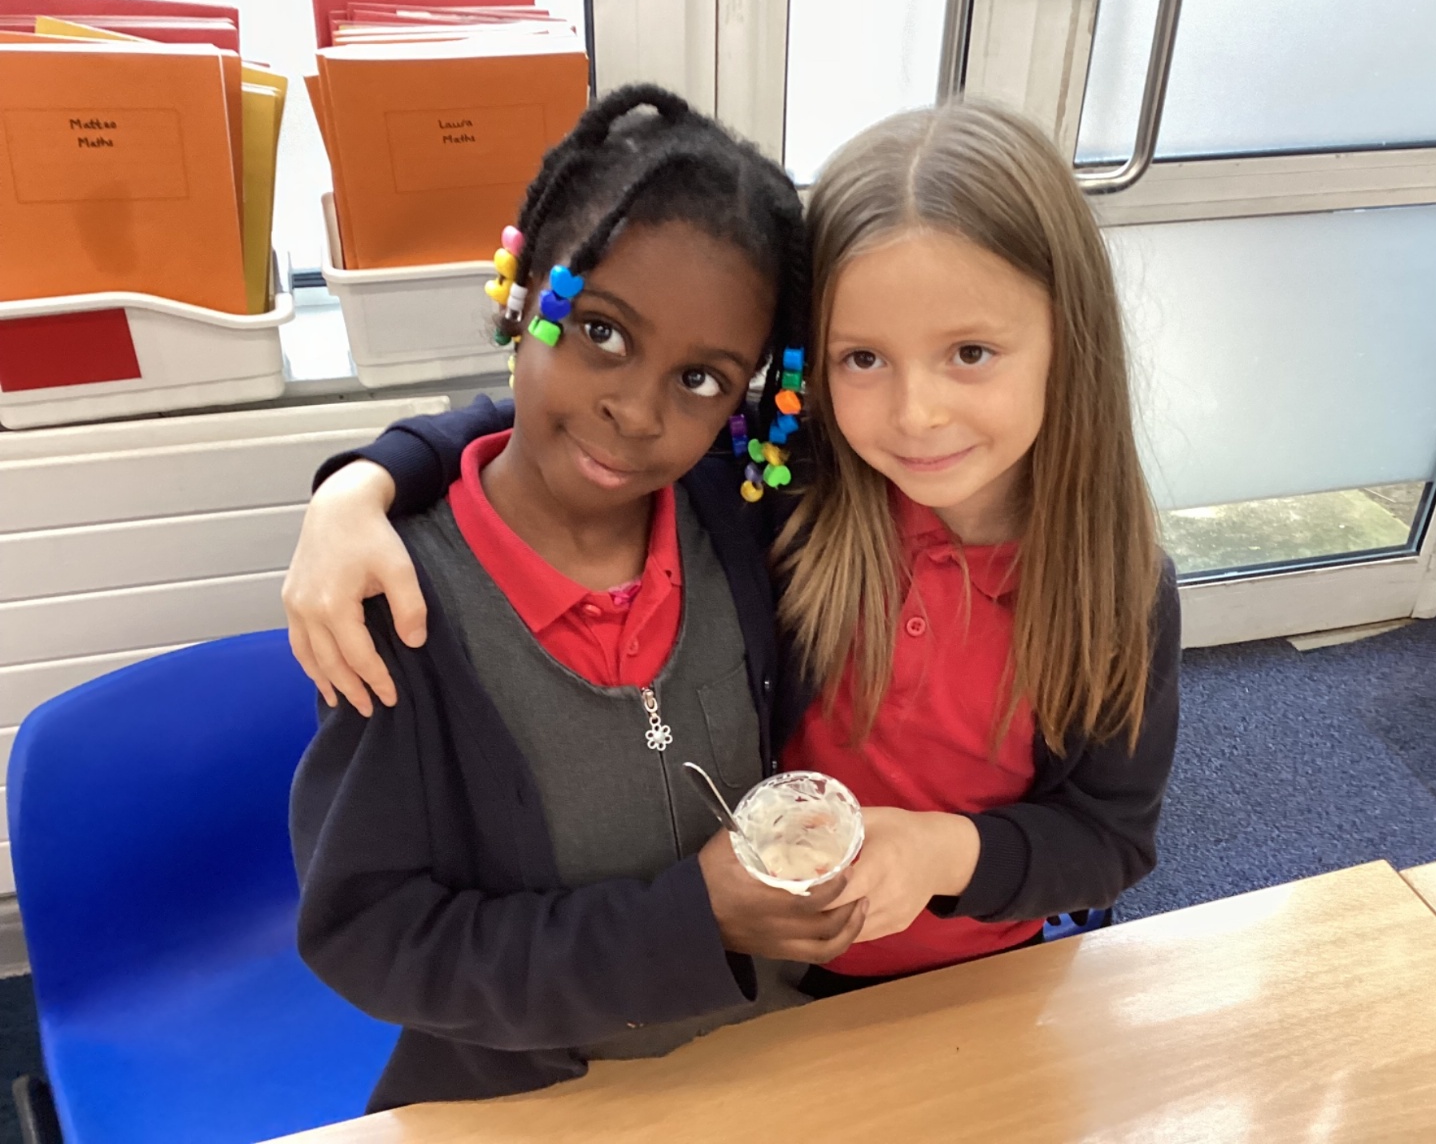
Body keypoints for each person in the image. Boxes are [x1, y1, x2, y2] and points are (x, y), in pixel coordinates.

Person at [285, 100, 1181, 1006]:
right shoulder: (791, 487)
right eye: (862, 359)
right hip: (774, 993)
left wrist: (947, 853)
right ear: (807, 367)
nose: (918, 415)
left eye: (972, 353)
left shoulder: (1116, 589)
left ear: (1072, 338)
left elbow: (1110, 840)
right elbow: (571, 424)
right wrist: (363, 483)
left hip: (981, 985)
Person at [288, 84, 865, 1114]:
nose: (636, 412)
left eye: (701, 380)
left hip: (773, 1058)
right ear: (520, 299)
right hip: (525, 1095)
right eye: (600, 330)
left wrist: (371, 470)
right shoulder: (402, 608)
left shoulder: (741, 515)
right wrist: (690, 923)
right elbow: (371, 937)